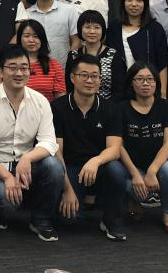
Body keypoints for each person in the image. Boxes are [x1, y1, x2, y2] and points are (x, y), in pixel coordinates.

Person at [0, 46, 64, 241]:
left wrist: (27, 158)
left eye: (24, 67)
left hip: (27, 166)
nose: (19, 73)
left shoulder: (40, 101)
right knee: (6, 204)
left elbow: (49, 142)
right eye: (12, 67)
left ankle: (40, 220)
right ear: (1, 71)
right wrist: (7, 176)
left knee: (54, 166)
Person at [52, 54, 124, 240]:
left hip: (98, 167)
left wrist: (96, 161)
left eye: (95, 76)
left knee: (116, 170)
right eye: (84, 75)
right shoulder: (57, 108)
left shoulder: (111, 109)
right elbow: (57, 152)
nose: (90, 80)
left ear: (100, 79)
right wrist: (67, 189)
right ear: (72, 77)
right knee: (70, 221)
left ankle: (111, 221)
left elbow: (115, 149)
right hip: (69, 167)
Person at [110, 61, 168, 235]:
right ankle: (135, 201)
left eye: (150, 79)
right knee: (113, 170)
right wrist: (136, 174)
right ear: (131, 83)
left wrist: (152, 171)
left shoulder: (167, 107)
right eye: (140, 79)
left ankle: (167, 213)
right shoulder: (120, 108)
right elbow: (118, 145)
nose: (145, 83)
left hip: (158, 165)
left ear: (156, 82)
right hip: (130, 165)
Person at [106, 0, 168, 96]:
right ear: (123, 2)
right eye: (129, 0)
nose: (134, 4)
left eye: (139, 0)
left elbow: (162, 63)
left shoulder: (155, 28)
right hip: (119, 89)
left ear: (145, 3)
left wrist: (163, 92)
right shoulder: (114, 28)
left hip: (147, 88)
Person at [65, 10, 124, 102]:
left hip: (108, 107)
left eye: (97, 27)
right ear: (80, 29)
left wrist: (108, 107)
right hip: (78, 105)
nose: (92, 31)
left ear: (103, 30)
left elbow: (119, 90)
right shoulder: (73, 56)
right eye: (87, 27)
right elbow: (69, 86)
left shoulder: (113, 55)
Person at [24, 0, 78, 67]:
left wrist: (71, 65)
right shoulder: (26, 14)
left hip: (63, 68)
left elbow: (76, 41)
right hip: (34, 70)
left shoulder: (69, 11)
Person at [18, 19, 66, 102]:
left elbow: (61, 100)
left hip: (48, 109)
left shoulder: (54, 65)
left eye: (36, 36)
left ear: (42, 39)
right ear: (20, 38)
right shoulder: (12, 64)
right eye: (27, 36)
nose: (31, 40)